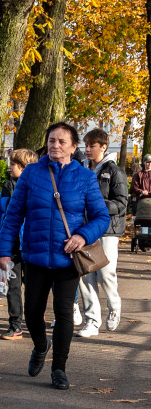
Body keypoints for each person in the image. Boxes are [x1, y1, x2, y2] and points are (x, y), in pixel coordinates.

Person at [0, 122, 110, 391]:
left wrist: (82, 236)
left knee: (63, 313)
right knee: (33, 311)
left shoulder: (84, 177)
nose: (55, 145)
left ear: (73, 147)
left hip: (67, 259)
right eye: (51, 140)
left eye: (61, 141)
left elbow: (101, 217)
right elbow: (13, 215)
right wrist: (2, 251)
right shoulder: (32, 174)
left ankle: (59, 367)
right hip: (34, 256)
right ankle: (40, 345)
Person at [77, 128, 128, 337]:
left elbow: (122, 203)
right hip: (85, 229)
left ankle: (114, 306)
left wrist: (97, 205)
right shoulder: (81, 169)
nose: (87, 149)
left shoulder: (115, 171)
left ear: (103, 147)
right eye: (86, 145)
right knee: (86, 274)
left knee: (106, 274)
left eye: (92, 146)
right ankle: (92, 321)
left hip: (107, 230)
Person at [0, 148, 39, 340]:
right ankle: (15, 324)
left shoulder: (38, 187)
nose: (9, 167)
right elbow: (1, 218)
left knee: (34, 287)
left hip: (33, 245)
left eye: (13, 164)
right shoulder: (8, 187)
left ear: (25, 168)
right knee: (13, 287)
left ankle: (36, 320)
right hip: (13, 247)